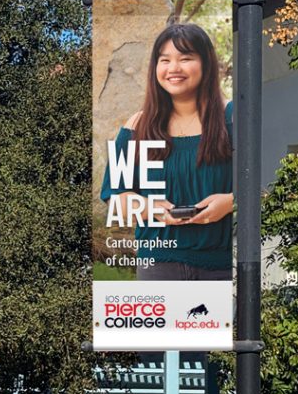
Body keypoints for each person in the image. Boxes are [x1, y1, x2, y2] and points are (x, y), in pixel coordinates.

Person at [100, 22, 234, 280]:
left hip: (223, 265)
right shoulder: (135, 128)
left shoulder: (233, 119)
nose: (174, 68)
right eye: (165, 60)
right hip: (158, 266)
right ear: (155, 68)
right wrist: (151, 208)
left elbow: (262, 189)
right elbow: (117, 199)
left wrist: (230, 203)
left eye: (185, 58)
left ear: (205, 64)